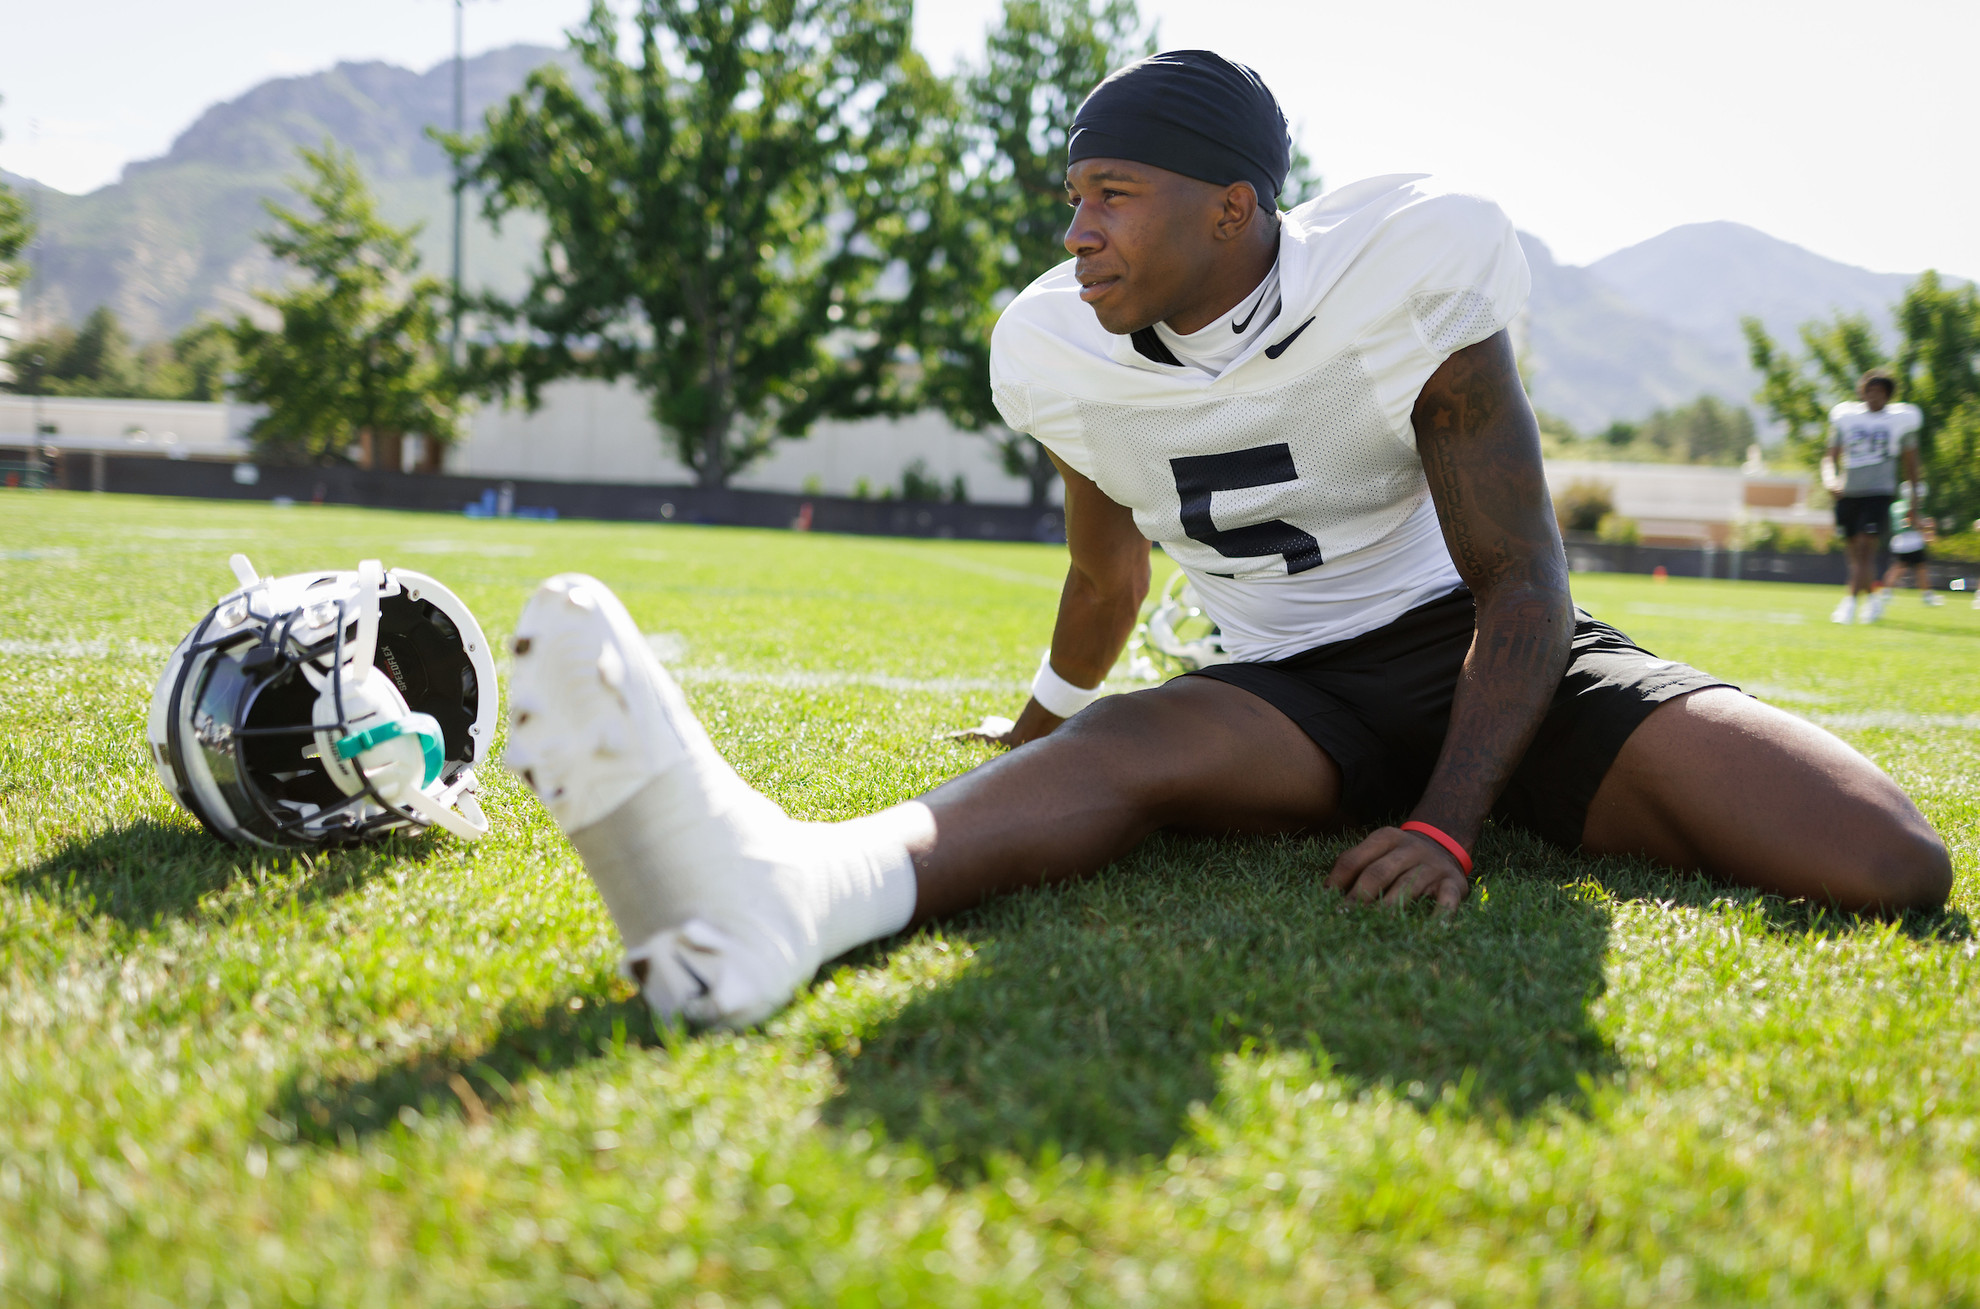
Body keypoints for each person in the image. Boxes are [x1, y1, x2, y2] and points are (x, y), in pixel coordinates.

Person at [503, 52, 1952, 1028]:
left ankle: (1497, 790)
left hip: (1488, 654)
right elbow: (1105, 573)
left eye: (1112, 196)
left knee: (1886, 864)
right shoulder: (1056, 350)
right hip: (1286, 694)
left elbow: (1523, 582)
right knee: (1119, 756)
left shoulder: (1407, 270)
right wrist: (1038, 726)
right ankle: (786, 895)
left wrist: (1450, 818)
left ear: (1234, 206)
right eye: (1074, 199)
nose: (1077, 234)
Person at [1826, 370, 1923, 623]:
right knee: (1854, 554)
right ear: (1862, 392)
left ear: (1888, 396)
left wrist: (1914, 500)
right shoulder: (1847, 418)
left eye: (1879, 392)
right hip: (1849, 493)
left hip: (1879, 492)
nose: (1873, 396)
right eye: (1869, 390)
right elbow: (1829, 458)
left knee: (1865, 549)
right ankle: (1871, 600)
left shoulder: (1900, 421)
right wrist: (1830, 479)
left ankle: (1849, 603)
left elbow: (1911, 464)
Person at [1879, 497, 1942, 606]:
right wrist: (1926, 526)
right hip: (1913, 542)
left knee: (1896, 569)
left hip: (1899, 541)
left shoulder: (1896, 506)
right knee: (1921, 570)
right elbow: (1911, 521)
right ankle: (1927, 596)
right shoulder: (1911, 506)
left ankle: (1886, 593)